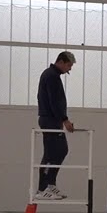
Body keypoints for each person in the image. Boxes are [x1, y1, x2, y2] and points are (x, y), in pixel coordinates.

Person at [35, 51, 77, 201]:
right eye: (69, 65)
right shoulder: (51, 76)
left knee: (61, 150)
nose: (69, 69)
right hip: (50, 120)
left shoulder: (52, 75)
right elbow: (54, 101)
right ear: (61, 61)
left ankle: (50, 184)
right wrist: (64, 119)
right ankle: (42, 188)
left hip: (53, 120)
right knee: (52, 153)